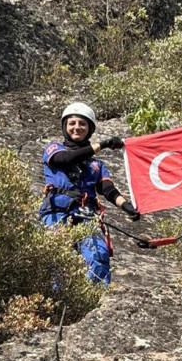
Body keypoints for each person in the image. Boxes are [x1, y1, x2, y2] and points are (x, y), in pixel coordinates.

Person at [39, 101, 141, 286]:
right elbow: (67, 159)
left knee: (98, 253)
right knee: (55, 254)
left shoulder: (96, 165)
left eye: (82, 124)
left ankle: (95, 297)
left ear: (90, 129)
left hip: (85, 214)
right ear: (64, 127)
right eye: (72, 123)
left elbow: (108, 190)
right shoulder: (53, 149)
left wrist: (128, 207)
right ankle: (55, 298)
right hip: (57, 211)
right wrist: (103, 144)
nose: (77, 127)